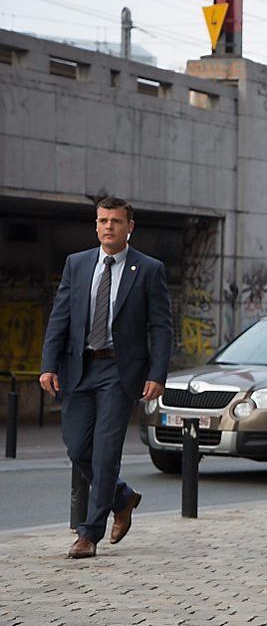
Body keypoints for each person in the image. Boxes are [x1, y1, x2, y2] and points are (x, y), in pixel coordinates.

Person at [39, 197, 173, 559]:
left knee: (105, 452)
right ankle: (122, 498)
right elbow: (60, 319)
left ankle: (89, 534)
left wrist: (157, 374)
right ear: (95, 225)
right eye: (102, 220)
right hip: (79, 367)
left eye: (115, 221)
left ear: (130, 226)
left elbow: (161, 326)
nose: (108, 227)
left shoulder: (148, 269)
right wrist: (48, 365)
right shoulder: (77, 264)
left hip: (120, 370)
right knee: (78, 447)